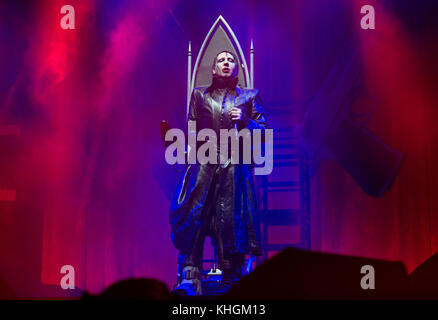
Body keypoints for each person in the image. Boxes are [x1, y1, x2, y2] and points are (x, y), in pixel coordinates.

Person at [169, 51, 268, 296]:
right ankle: (190, 274)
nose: (225, 62)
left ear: (237, 68)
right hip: (204, 163)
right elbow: (191, 128)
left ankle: (231, 276)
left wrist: (245, 119)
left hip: (235, 164)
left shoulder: (250, 95)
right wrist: (186, 153)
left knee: (231, 218)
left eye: (230, 60)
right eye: (220, 60)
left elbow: (264, 131)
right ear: (213, 69)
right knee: (194, 213)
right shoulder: (199, 95)